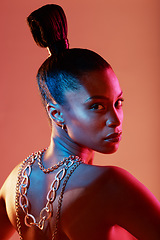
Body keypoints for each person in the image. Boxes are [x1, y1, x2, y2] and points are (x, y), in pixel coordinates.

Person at [0, 4, 160, 240]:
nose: (115, 120)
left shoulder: (16, 181)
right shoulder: (110, 184)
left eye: (118, 102)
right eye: (96, 106)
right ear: (56, 114)